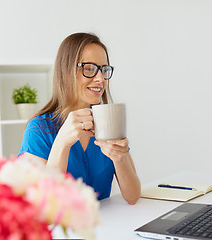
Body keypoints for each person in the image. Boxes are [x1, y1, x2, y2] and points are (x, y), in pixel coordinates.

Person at [19, 32, 141, 205]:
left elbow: (133, 196)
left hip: (104, 227)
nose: (100, 79)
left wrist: (119, 159)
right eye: (90, 68)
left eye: (104, 70)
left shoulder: (108, 123)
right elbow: (42, 205)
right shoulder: (39, 130)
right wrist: (62, 143)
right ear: (66, 72)